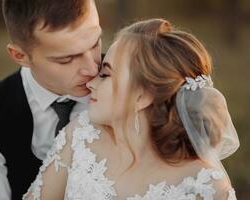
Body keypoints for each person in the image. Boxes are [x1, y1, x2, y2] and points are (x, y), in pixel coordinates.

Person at [23, 18, 240, 200]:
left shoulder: (204, 184)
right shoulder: (80, 137)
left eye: (106, 75)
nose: (91, 83)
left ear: (142, 96)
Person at [0, 0, 102, 199]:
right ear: (20, 55)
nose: (93, 69)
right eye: (66, 59)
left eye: (95, 43)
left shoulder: (137, 90)